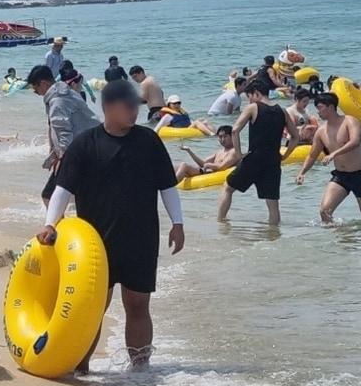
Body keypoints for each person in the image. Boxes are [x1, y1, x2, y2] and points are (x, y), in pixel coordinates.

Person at [38, 79, 184, 369]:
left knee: (138, 305)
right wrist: (50, 224)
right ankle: (81, 368)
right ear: (108, 107)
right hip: (95, 245)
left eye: (136, 106)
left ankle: (141, 369)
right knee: (92, 310)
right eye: (128, 105)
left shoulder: (148, 141)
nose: (134, 111)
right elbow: (63, 190)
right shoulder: (84, 144)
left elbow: (167, 186)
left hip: (141, 239)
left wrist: (177, 223)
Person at [217, 79, 294, 224]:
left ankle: (220, 222)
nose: (249, 100)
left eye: (250, 96)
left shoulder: (253, 108)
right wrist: (285, 155)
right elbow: (295, 137)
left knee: (228, 187)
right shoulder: (282, 111)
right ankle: (273, 235)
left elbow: (234, 130)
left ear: (256, 93)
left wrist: (239, 154)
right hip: (273, 160)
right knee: (273, 204)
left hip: (254, 158)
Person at [295, 91, 361, 222]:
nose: (318, 113)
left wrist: (334, 153)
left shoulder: (350, 121)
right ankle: (338, 237)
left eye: (320, 108)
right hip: (341, 176)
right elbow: (312, 155)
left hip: (360, 175)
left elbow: (355, 142)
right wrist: (302, 172)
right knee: (324, 212)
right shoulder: (321, 131)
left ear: (331, 107)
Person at [26, 64, 100, 203]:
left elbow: (65, 133)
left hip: (81, 151)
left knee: (49, 195)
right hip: (89, 146)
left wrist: (62, 160)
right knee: (80, 195)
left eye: (36, 88)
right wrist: (54, 152)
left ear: (44, 83)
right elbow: (55, 128)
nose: (36, 92)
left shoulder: (57, 100)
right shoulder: (61, 92)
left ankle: (55, 224)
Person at [175, 125, 242, 182]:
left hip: (211, 175)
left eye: (225, 136)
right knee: (176, 167)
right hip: (206, 172)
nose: (222, 139)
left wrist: (209, 165)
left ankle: (171, 186)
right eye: (220, 137)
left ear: (232, 137)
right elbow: (203, 164)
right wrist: (189, 151)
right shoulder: (219, 152)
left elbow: (222, 167)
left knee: (184, 165)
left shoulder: (234, 152)